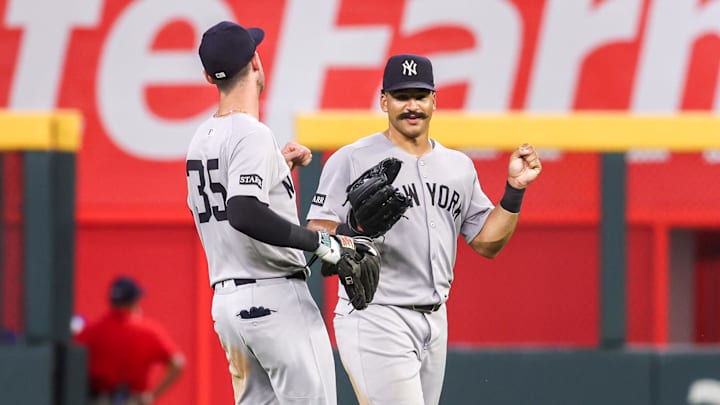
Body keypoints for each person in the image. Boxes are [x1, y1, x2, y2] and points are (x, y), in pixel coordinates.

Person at [306, 53, 543, 405]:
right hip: (377, 315)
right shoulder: (352, 158)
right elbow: (316, 232)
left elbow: (486, 242)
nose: (412, 105)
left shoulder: (457, 166)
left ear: (434, 100)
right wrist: (353, 228)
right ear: (384, 101)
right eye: (402, 96)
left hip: (435, 320)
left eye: (420, 95)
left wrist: (514, 191)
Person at [186, 20, 379, 404]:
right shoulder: (252, 133)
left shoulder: (201, 139)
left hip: (228, 307)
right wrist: (324, 244)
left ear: (209, 76)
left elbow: (231, 207)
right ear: (256, 62)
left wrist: (275, 168)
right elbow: (243, 212)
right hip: (275, 299)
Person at [75, 276, 185, 405]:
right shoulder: (147, 332)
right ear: (135, 300)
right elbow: (177, 363)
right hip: (133, 400)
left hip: (97, 399)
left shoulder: (93, 330)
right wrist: (152, 396)